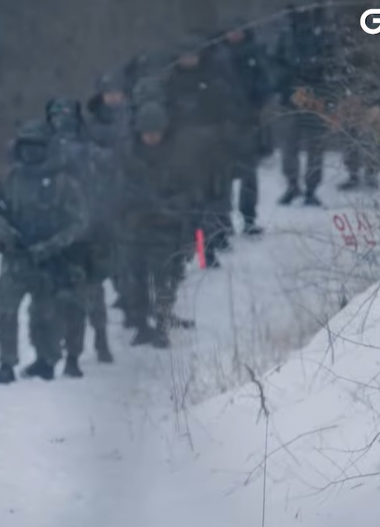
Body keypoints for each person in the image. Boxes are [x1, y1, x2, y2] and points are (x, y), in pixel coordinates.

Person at [0, 120, 88, 384]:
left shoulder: (63, 183)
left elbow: (79, 222)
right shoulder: (9, 179)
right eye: (26, 147)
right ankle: (6, 364)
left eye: (37, 147)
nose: (30, 153)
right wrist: (6, 231)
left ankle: (46, 360)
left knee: (45, 313)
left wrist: (52, 245)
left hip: (49, 259)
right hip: (15, 258)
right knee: (6, 309)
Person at [45, 97, 115, 371]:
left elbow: (109, 169)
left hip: (91, 229)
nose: (61, 122)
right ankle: (71, 345)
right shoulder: (46, 149)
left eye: (65, 116)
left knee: (93, 289)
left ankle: (100, 339)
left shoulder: (87, 148)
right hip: (60, 230)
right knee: (63, 293)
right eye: (56, 116)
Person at [117, 104, 194, 347]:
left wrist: (171, 210)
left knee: (165, 282)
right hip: (135, 228)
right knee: (135, 282)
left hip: (165, 229)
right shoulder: (128, 156)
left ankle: (162, 326)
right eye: (147, 132)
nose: (151, 136)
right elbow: (118, 190)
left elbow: (188, 193)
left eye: (155, 131)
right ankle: (141, 326)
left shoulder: (176, 156)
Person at [165, 32, 237, 267]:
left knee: (209, 206)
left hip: (210, 154)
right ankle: (185, 251)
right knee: (184, 207)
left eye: (192, 55)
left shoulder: (213, 80)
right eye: (184, 56)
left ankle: (208, 251)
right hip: (180, 155)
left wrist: (221, 143)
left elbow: (226, 114)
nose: (188, 59)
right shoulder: (170, 82)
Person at [214, 21, 273, 235]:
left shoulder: (254, 55)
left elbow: (266, 84)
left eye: (237, 30)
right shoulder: (217, 57)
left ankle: (248, 219)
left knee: (248, 174)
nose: (234, 34)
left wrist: (255, 104)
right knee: (223, 177)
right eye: (231, 30)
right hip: (222, 125)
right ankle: (224, 221)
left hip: (248, 122)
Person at [274, 5, 334, 206]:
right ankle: (293, 185)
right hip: (291, 97)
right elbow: (276, 63)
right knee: (290, 146)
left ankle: (310, 188)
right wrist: (285, 85)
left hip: (317, 98)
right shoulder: (287, 33)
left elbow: (334, 63)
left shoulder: (325, 32)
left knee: (315, 147)